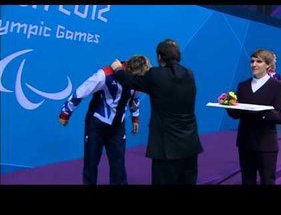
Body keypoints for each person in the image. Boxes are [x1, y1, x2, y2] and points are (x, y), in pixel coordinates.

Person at [111, 39, 203, 185]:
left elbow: (129, 81)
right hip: (190, 146)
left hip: (166, 150)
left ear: (160, 57)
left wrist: (117, 69)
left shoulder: (156, 75)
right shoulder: (189, 74)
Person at [58, 55, 151, 185]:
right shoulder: (104, 74)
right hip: (96, 125)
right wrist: (65, 112)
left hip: (118, 127)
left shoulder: (137, 79)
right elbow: (81, 92)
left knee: (118, 166)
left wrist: (135, 118)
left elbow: (135, 100)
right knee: (91, 163)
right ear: (130, 71)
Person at [226, 49, 281, 185]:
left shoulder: (278, 87)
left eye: (259, 61)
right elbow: (236, 114)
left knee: (267, 181)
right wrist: (227, 105)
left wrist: (259, 111)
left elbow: (280, 116)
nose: (254, 64)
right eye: (252, 61)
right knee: (247, 180)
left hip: (266, 144)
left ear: (268, 65)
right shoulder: (243, 86)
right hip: (245, 142)